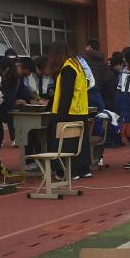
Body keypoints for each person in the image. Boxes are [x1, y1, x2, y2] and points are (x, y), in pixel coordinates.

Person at [45, 41, 91, 178]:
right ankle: (83, 169)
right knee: (80, 143)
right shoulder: (77, 65)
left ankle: (67, 171)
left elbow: (66, 94)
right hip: (80, 111)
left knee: (64, 142)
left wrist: (59, 116)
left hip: (70, 112)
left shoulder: (67, 69)